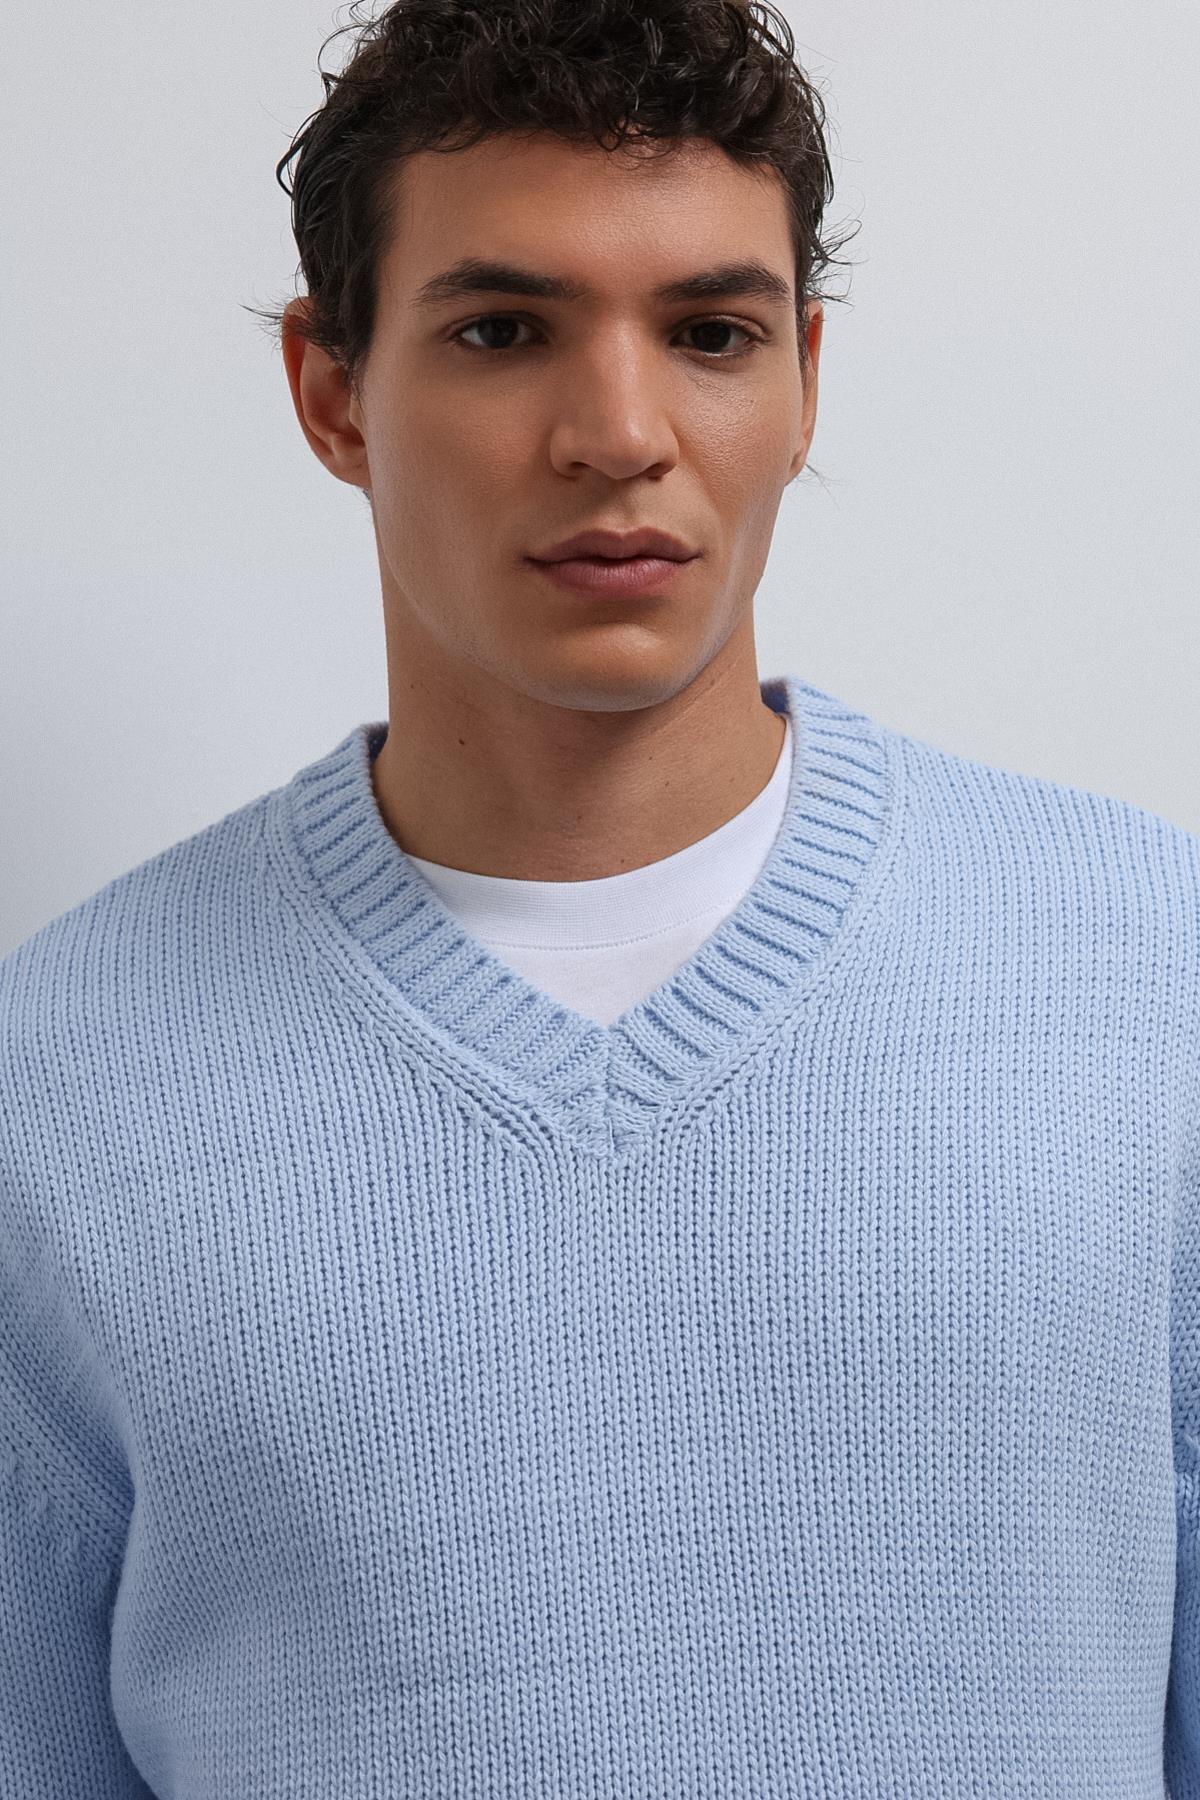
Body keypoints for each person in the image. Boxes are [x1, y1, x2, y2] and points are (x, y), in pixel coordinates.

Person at [2, 2, 1198, 1795]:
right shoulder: (53, 1085)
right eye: (503, 331)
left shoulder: (1154, 980)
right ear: (331, 390)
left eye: (711, 333)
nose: (621, 433)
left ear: (805, 377)